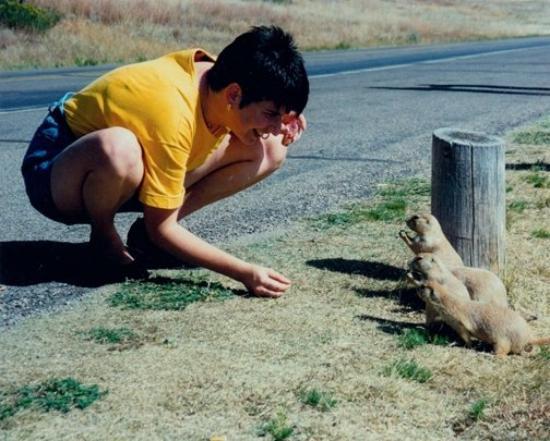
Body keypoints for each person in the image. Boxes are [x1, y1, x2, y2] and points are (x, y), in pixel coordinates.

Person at [21, 25, 309, 298]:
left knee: (270, 149)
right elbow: (164, 227)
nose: (276, 125)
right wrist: (245, 272)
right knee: (120, 149)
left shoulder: (226, 77)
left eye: (281, 116)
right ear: (234, 94)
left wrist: (282, 115)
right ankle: (103, 238)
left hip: (133, 171)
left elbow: (257, 86)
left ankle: (146, 239)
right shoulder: (172, 113)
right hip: (57, 171)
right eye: (271, 113)